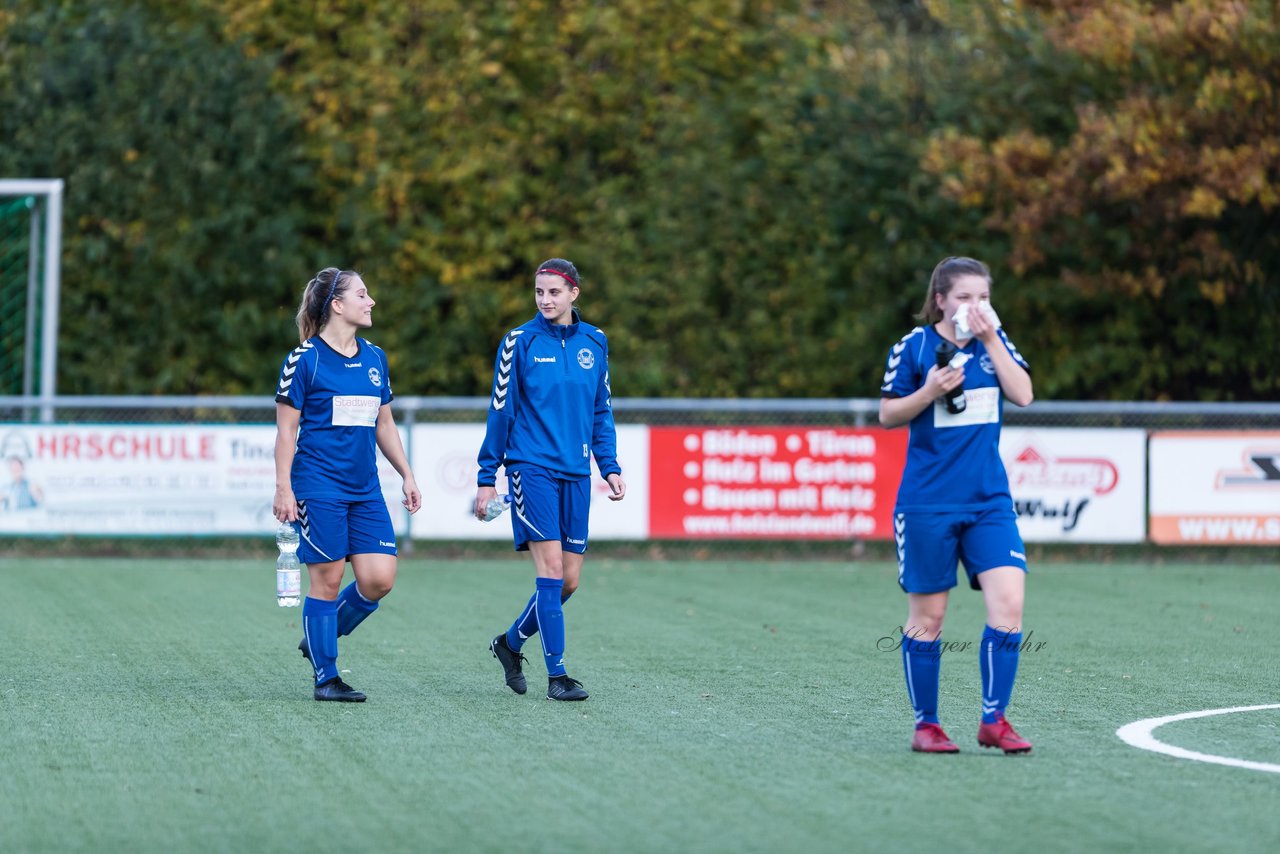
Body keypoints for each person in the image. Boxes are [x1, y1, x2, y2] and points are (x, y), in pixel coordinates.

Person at [878, 256, 1035, 754]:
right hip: (928, 503)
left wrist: (991, 339)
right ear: (940, 300)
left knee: (1009, 605)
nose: (976, 306)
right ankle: (927, 726)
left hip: (989, 501)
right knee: (930, 618)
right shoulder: (915, 346)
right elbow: (887, 414)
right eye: (965, 297)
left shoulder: (997, 343)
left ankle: (995, 719)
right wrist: (928, 391)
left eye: (983, 297)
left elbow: (1024, 394)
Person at [475, 257, 626, 702]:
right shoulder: (518, 342)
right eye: (539, 292)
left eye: (554, 292)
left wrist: (609, 465)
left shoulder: (595, 342)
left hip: (576, 472)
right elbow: (500, 410)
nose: (545, 300)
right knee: (552, 571)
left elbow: (602, 411)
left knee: (570, 581)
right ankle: (557, 676)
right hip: (530, 468)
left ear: (574, 293)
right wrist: (488, 475)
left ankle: (509, 642)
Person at [273, 266, 422, 703]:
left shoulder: (375, 357)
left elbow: (385, 421)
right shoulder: (305, 359)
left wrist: (407, 474)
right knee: (328, 579)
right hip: (318, 485)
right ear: (337, 305)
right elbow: (286, 433)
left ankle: (318, 635)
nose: (370, 301)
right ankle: (326, 676)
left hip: (365, 488)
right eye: (362, 294)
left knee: (379, 579)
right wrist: (284, 488)